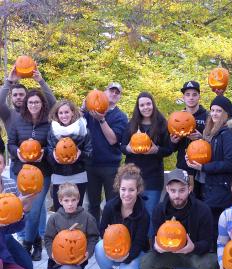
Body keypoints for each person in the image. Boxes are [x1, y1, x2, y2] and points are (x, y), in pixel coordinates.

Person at [141, 168, 217, 269]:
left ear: (190, 189)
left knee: (210, 264)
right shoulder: (159, 210)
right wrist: (156, 246)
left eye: (182, 190)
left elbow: (209, 242)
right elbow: (153, 237)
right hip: (170, 253)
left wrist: (193, 247)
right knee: (147, 263)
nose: (177, 195)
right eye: (173, 190)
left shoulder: (203, 210)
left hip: (195, 254)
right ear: (167, 189)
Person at [187, 95, 232, 250]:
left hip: (222, 188)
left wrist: (203, 167)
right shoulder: (215, 133)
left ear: (226, 113)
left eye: (218, 111)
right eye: (212, 110)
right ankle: (214, 265)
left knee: (219, 228)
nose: (214, 114)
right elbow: (208, 155)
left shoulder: (229, 133)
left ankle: (219, 265)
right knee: (213, 227)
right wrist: (193, 156)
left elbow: (230, 163)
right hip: (213, 187)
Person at [8, 89, 52, 261]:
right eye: (31, 102)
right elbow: (11, 143)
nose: (33, 105)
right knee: (24, 210)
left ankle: (26, 245)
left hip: (42, 172)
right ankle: (37, 242)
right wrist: (17, 151)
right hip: (22, 172)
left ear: (42, 104)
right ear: (26, 104)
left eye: (37, 102)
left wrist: (44, 152)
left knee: (35, 210)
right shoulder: (18, 121)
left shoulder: (48, 123)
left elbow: (53, 145)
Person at [95, 164, 149, 269]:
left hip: (134, 251)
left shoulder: (143, 214)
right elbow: (102, 230)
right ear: (118, 188)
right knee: (99, 247)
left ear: (138, 190)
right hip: (114, 248)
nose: (126, 194)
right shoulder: (110, 207)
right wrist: (109, 240)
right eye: (123, 189)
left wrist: (128, 257)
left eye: (131, 190)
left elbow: (139, 242)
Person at [121, 92, 171, 236]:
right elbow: (122, 147)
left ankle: (148, 245)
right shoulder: (131, 125)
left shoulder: (162, 124)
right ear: (138, 107)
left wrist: (157, 150)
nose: (145, 107)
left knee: (149, 212)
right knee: (132, 210)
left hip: (153, 176)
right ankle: (132, 240)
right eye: (142, 105)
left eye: (148, 104)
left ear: (153, 105)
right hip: (133, 176)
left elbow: (168, 149)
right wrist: (128, 149)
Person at [38, 183, 99, 269]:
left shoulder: (87, 217)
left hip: (76, 260)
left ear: (78, 199)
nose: (70, 204)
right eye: (66, 200)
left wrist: (88, 252)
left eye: (73, 200)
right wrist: (52, 254)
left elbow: (93, 237)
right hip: (57, 260)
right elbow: (48, 239)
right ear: (60, 201)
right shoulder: (54, 218)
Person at [82, 82, 128, 225]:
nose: (114, 94)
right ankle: (95, 234)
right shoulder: (90, 111)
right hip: (90, 164)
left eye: (117, 92)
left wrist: (101, 120)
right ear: (105, 92)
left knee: (112, 203)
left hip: (110, 166)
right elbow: (74, 125)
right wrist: (82, 109)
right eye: (111, 91)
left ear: (119, 97)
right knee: (93, 204)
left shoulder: (120, 116)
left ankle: (113, 232)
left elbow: (113, 140)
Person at [0, 153, 36, 269]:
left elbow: (15, 226)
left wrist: (23, 210)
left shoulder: (10, 184)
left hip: (4, 237)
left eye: (0, 162)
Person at [47, 99, 92, 211]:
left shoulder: (84, 131)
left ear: (73, 112)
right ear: (57, 115)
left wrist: (81, 155)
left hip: (79, 176)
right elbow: (48, 154)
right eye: (60, 113)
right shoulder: (53, 131)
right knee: (60, 211)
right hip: (59, 176)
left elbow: (90, 155)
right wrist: (53, 156)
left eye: (67, 112)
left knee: (77, 211)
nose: (64, 115)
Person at [170, 81, 208, 199]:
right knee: (183, 201)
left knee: (201, 202)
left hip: (202, 167)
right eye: (188, 94)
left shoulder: (208, 116)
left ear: (199, 96)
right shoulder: (176, 118)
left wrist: (202, 138)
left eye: (194, 94)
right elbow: (170, 149)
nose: (191, 97)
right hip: (183, 166)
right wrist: (173, 141)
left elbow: (215, 142)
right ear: (183, 97)